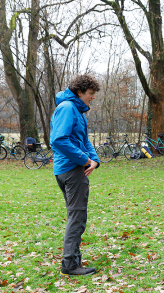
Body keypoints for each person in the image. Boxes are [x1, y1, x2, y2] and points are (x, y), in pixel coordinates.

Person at [50, 74, 101, 276]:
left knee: (77, 215)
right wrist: (84, 160)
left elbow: (84, 141)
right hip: (71, 171)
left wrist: (94, 160)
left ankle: (74, 259)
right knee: (77, 217)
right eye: (90, 93)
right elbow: (59, 140)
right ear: (79, 92)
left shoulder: (77, 111)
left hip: (73, 168)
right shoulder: (67, 108)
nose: (93, 97)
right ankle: (70, 264)